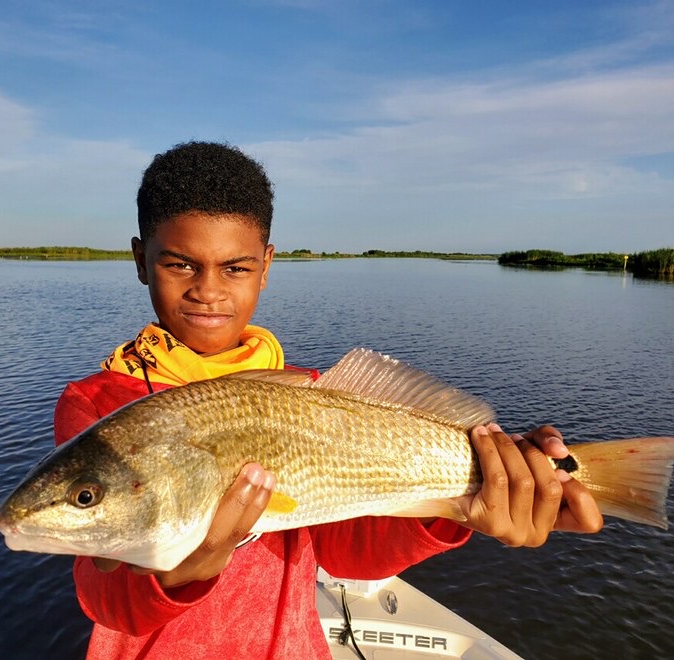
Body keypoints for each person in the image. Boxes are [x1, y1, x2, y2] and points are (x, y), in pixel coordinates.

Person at [54, 141, 603, 659]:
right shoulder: (99, 406)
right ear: (140, 259)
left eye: (236, 267)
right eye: (179, 264)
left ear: (266, 266)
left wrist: (466, 505)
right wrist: (174, 575)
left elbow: (349, 550)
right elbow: (104, 595)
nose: (208, 290)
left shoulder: (312, 393)